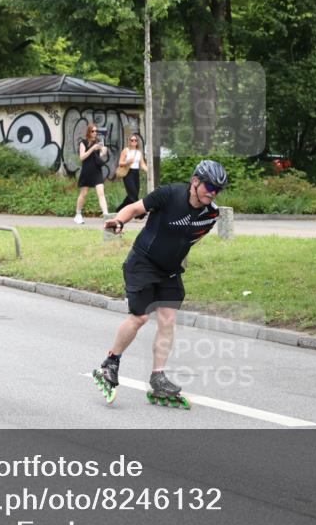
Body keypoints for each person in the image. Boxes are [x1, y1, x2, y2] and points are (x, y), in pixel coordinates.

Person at [93, 159, 229, 407]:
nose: (213, 192)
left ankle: (158, 377)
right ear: (195, 181)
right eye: (209, 186)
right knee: (140, 317)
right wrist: (120, 221)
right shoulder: (169, 195)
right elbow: (134, 208)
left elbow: (188, 241)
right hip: (142, 262)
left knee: (168, 320)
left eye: (218, 189)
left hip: (169, 271)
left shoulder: (211, 215)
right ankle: (110, 363)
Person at [73, 124, 109, 224]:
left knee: (101, 193)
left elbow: (98, 156)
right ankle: (78, 214)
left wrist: (103, 152)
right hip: (87, 171)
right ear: (88, 132)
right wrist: (92, 148)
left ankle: (106, 215)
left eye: (96, 131)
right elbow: (82, 157)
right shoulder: (83, 143)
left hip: (97, 171)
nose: (95, 133)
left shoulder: (97, 143)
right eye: (93, 131)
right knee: (84, 194)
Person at [115, 133, 148, 214]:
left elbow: (142, 164)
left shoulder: (139, 152)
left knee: (133, 194)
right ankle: (140, 213)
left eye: (135, 140)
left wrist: (149, 171)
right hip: (128, 173)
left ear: (137, 142)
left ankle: (119, 210)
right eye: (132, 140)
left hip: (136, 173)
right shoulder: (126, 150)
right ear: (129, 141)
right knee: (133, 194)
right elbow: (120, 163)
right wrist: (127, 162)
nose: (133, 141)